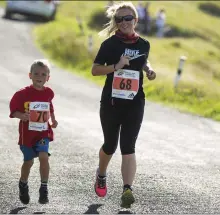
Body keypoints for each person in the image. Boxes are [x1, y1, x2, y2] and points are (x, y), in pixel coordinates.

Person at [91, 1, 156, 208]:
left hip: (135, 102)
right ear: (115, 21)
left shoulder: (144, 44)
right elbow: (95, 70)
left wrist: (148, 69)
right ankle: (101, 174)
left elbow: (143, 60)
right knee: (110, 145)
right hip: (111, 102)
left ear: (135, 20)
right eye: (119, 19)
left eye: (128, 18)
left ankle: (127, 189)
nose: (123, 22)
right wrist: (116, 66)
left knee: (128, 146)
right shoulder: (110, 45)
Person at [9, 59, 58, 205]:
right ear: (30, 75)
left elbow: (50, 108)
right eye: (36, 73)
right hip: (27, 135)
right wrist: (21, 115)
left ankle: (44, 188)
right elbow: (13, 110)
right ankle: (23, 183)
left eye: (43, 74)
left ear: (48, 78)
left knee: (44, 156)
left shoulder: (49, 92)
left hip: (43, 132)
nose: (40, 76)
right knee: (28, 162)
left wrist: (53, 120)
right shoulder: (22, 94)